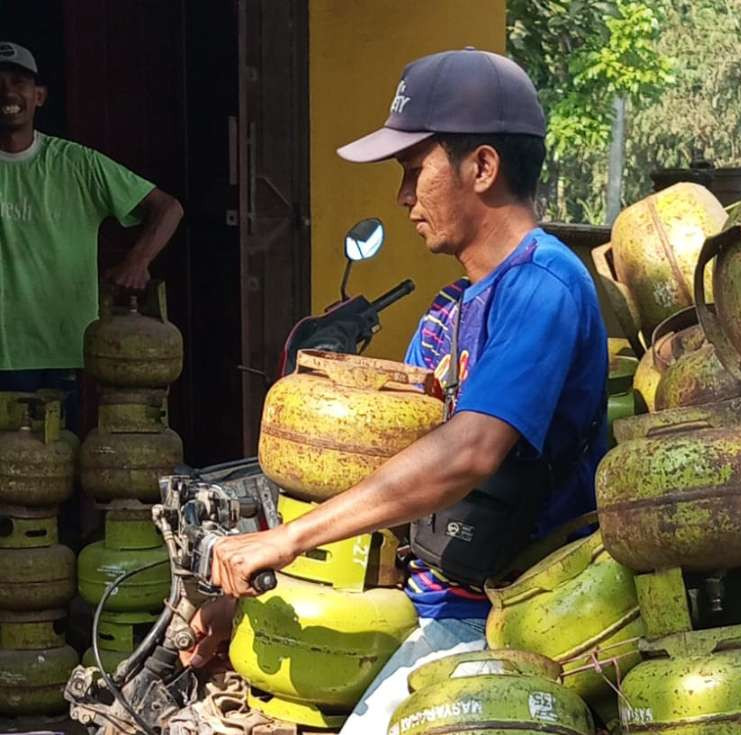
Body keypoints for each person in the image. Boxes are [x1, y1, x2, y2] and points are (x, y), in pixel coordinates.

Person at [184, 48, 608, 732]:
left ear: (483, 167)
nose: (402, 197)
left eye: (414, 171)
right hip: (427, 595)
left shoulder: (544, 285)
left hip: (507, 613)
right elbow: (386, 478)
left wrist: (287, 541)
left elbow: (468, 451)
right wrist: (243, 599)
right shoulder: (448, 311)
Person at [0, 41, 183, 411]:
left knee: (58, 460)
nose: (7, 92)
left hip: (63, 347)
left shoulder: (77, 164)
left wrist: (137, 262)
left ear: (39, 96)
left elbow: (168, 208)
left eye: (19, 82)